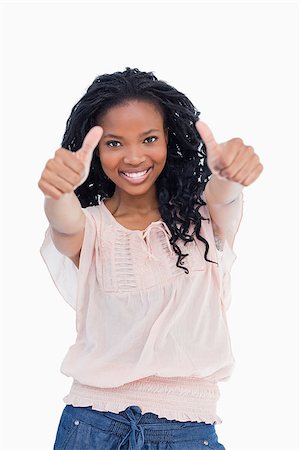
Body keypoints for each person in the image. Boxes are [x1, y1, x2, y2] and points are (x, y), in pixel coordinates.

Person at [38, 67, 263, 450]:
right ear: (96, 151)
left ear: (168, 140)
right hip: (91, 425)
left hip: (187, 430)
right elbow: (63, 224)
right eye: (114, 143)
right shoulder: (91, 227)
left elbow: (223, 193)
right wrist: (58, 192)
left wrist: (230, 174)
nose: (134, 156)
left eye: (149, 138)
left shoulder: (205, 218)